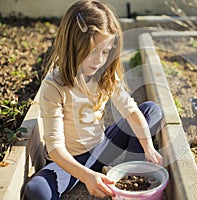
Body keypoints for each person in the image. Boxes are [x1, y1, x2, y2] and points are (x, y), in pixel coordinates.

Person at [24, 0, 163, 199]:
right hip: (68, 162)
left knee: (150, 110)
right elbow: (55, 148)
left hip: (102, 147)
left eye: (106, 52)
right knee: (36, 191)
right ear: (73, 46)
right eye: (92, 52)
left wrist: (148, 147)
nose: (99, 60)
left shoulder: (104, 75)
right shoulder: (54, 86)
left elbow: (131, 110)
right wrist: (87, 176)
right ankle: (91, 176)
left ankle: (135, 169)